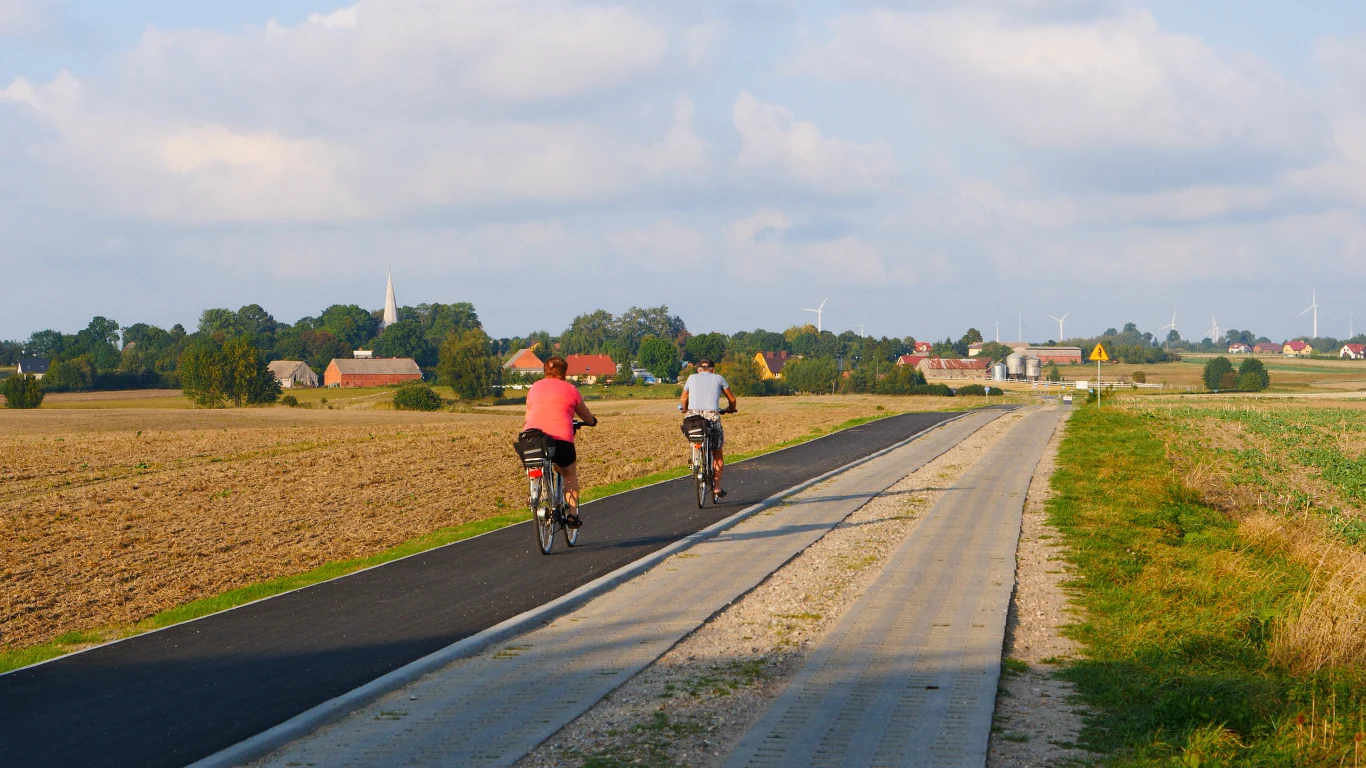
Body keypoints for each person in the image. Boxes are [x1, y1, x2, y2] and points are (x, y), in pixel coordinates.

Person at [524, 356, 597, 527]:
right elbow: (585, 415)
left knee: (535, 464)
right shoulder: (570, 389)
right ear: (564, 372)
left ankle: (533, 493)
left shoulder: (534, 388)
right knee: (569, 474)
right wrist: (591, 421)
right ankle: (572, 515)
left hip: (533, 438)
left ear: (544, 371)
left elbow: (528, 414)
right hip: (561, 439)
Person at [679, 358, 737, 501]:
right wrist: (731, 409)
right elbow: (732, 399)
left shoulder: (691, 378)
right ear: (713, 369)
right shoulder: (719, 378)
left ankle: (695, 458)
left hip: (694, 418)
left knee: (695, 437)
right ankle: (717, 487)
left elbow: (683, 398)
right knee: (717, 452)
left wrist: (685, 410)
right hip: (712, 417)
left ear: (698, 370)